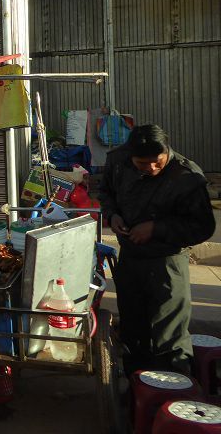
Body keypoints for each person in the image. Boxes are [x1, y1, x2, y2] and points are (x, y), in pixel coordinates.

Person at [98, 124, 215, 376]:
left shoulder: (186, 176)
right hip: (130, 259)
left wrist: (156, 228)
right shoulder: (118, 162)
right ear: (130, 156)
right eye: (142, 164)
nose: (151, 168)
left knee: (168, 335)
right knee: (132, 329)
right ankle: (137, 392)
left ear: (167, 151)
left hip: (167, 264)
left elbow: (202, 227)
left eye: (157, 162)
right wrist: (112, 215)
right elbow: (105, 192)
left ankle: (175, 391)